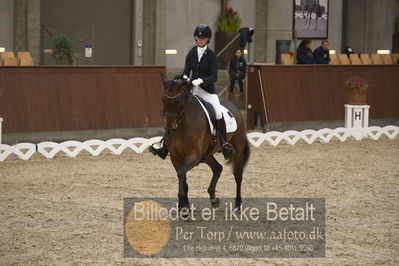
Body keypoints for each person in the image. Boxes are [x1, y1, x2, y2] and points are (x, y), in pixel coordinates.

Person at [149, 24, 234, 160]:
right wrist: (185, 78)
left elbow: (214, 76)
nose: (200, 40)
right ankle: (165, 146)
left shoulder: (212, 56)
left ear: (208, 39)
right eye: (198, 37)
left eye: (203, 38)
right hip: (192, 90)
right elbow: (186, 72)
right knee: (176, 111)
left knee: (218, 112)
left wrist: (201, 81)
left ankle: (224, 144)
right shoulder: (191, 53)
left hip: (207, 91)